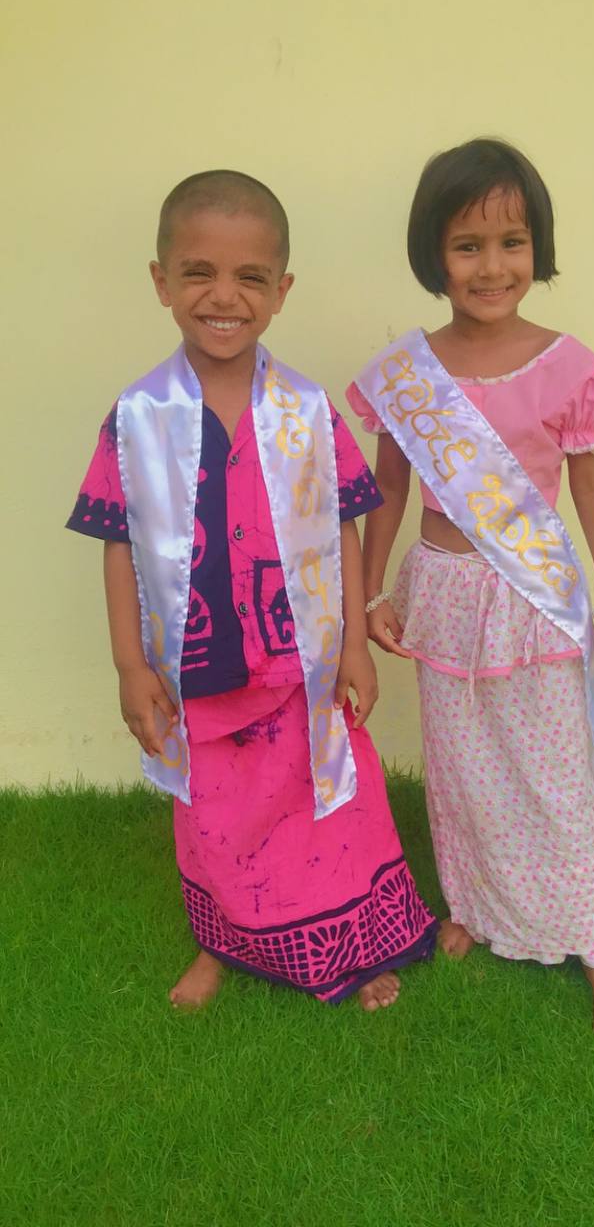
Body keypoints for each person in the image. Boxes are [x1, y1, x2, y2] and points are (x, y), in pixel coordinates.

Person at [67, 169, 436, 1011]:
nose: (222, 295)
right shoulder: (137, 418)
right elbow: (119, 545)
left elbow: (340, 525)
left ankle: (351, 938)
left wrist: (349, 647)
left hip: (297, 664)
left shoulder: (305, 411)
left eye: (249, 277)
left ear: (280, 291)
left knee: (325, 804)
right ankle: (220, 943)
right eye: (197, 272)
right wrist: (131, 666)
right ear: (161, 282)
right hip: (194, 667)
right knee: (214, 819)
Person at [346, 139, 594, 1033]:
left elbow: (591, 484)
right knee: (462, 769)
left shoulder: (568, 364)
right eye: (467, 245)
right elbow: (389, 489)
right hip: (437, 589)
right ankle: (478, 909)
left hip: (529, 593)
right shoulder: (407, 375)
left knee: (555, 777)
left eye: (511, 242)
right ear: (432, 254)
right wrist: (372, 597)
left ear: (537, 246)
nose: (491, 266)